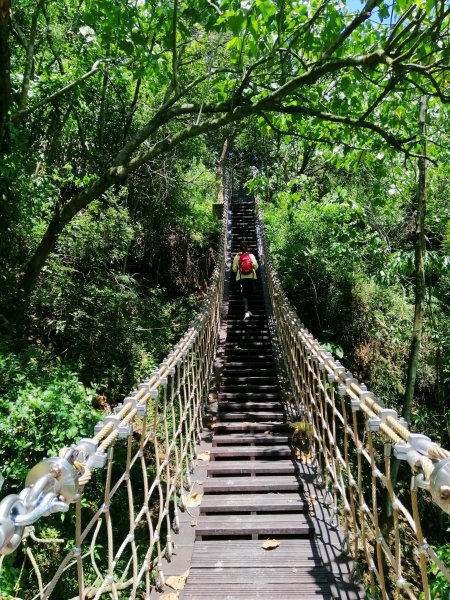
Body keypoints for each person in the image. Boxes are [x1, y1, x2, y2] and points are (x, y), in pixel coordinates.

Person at [232, 244, 259, 321]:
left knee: (244, 294)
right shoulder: (251, 255)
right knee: (250, 293)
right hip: (251, 277)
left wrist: (237, 270)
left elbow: (234, 269)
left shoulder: (237, 256)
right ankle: (249, 310)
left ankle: (246, 312)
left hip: (241, 277)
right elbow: (256, 266)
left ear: (240, 249)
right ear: (247, 248)